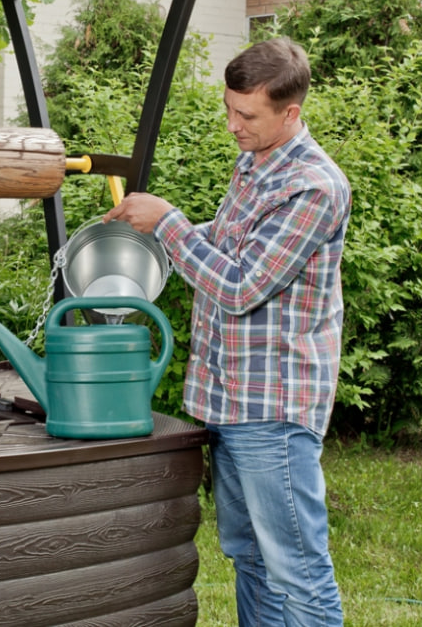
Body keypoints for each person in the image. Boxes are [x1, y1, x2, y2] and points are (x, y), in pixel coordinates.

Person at [105, 37, 350, 626]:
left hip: (273, 407)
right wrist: (164, 230)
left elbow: (241, 286)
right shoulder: (255, 163)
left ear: (290, 113)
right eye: (228, 108)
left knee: (296, 569)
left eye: (247, 115)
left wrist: (168, 224)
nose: (233, 124)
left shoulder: (314, 186)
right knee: (249, 558)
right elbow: (229, 238)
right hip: (231, 401)